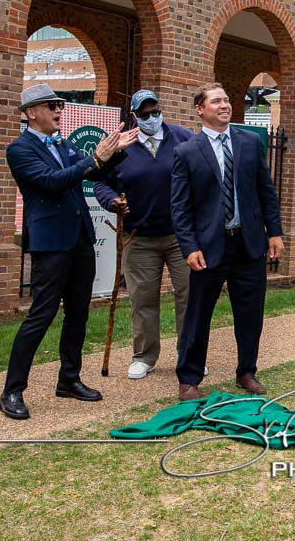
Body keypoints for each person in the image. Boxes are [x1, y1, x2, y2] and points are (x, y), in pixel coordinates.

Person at [0, 83, 138, 420]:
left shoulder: (65, 143)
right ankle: (12, 390)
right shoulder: (20, 150)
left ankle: (69, 379)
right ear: (32, 113)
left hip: (80, 240)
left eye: (60, 106)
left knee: (78, 313)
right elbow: (52, 181)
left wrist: (114, 151)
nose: (59, 111)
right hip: (51, 244)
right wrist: (95, 157)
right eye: (52, 106)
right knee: (41, 315)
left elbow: (91, 173)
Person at [171, 82, 284, 401]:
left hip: (249, 245)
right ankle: (189, 378)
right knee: (197, 315)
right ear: (200, 109)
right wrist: (190, 247)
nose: (224, 105)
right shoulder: (187, 151)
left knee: (250, 313)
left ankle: (246, 371)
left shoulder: (249, 142)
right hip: (208, 248)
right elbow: (180, 206)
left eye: (227, 99)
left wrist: (274, 232)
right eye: (216, 101)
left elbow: (266, 191)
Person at [93, 89, 194, 380]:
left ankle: (189, 354)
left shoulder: (183, 138)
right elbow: (101, 183)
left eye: (156, 111)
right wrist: (112, 201)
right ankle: (144, 356)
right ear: (134, 116)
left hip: (180, 235)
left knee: (189, 295)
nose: (152, 117)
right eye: (145, 113)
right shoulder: (123, 145)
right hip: (139, 237)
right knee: (143, 298)